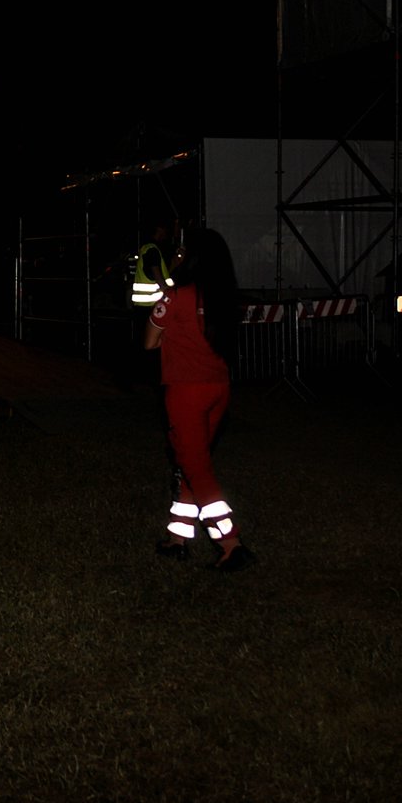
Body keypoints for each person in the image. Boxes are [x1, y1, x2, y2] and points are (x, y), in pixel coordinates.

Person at [145, 227, 252, 570]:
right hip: (218, 388)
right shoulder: (225, 300)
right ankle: (178, 538)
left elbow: (149, 342)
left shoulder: (176, 296)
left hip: (185, 391)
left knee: (197, 468)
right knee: (192, 463)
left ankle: (230, 543)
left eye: (182, 250)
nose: (177, 254)